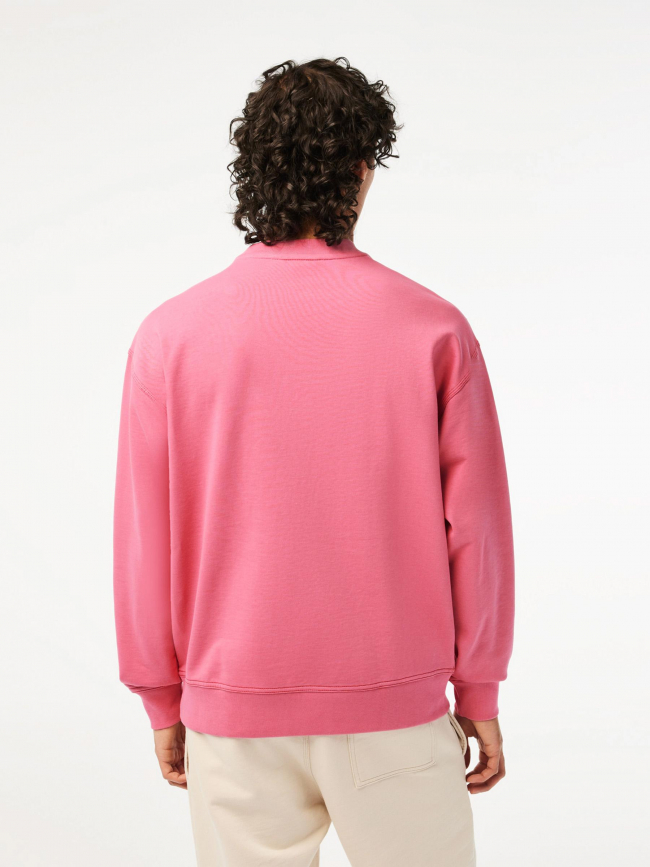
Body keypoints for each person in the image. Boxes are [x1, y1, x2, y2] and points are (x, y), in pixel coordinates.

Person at [113, 57, 515, 867]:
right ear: (363, 168)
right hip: (395, 707)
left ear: (256, 168)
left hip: (233, 710)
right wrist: (478, 686)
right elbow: (477, 531)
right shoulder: (433, 329)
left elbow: (143, 539)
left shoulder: (169, 336)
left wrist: (162, 695)